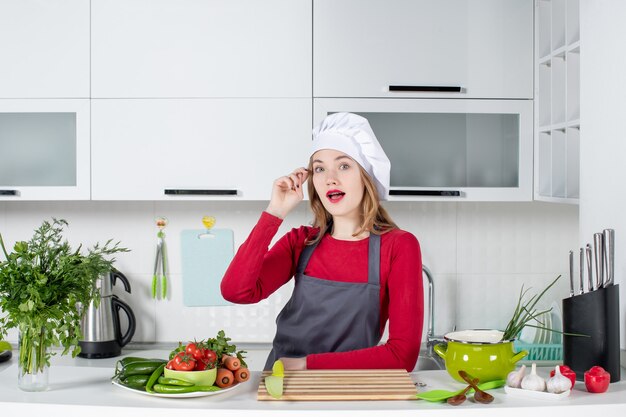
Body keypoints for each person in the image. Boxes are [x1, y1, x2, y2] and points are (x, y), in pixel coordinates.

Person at [220, 112, 423, 371]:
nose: (330, 178)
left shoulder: (399, 246)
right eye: (319, 168)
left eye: (344, 165)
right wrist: (275, 213)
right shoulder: (301, 242)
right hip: (283, 386)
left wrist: (306, 365)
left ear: (367, 176)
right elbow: (235, 291)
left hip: (347, 390)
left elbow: (402, 357)